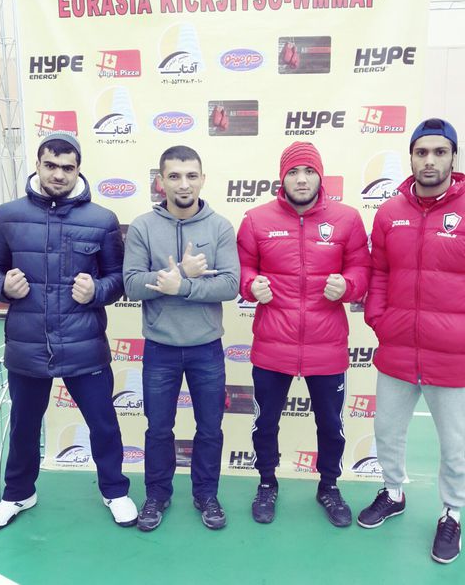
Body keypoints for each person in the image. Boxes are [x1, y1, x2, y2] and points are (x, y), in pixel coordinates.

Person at [0, 133, 137, 529]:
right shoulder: (8, 215)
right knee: (24, 425)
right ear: (38, 165)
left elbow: (117, 279)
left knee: (103, 423)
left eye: (67, 168)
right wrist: (3, 287)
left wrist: (97, 291)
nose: (59, 174)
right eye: (51, 165)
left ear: (78, 170)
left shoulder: (101, 220)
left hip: (84, 343)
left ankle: (115, 491)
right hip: (28, 342)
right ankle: (18, 493)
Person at [237, 141, 371, 527]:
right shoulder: (256, 220)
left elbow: (362, 270)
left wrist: (347, 285)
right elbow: (242, 267)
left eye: (309, 171)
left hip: (327, 346)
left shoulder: (347, 219)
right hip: (272, 344)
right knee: (265, 423)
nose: (301, 179)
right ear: (282, 177)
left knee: (330, 425)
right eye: (293, 172)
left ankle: (329, 486)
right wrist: (251, 285)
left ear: (320, 176)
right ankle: (267, 483)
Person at [358, 118, 465, 564]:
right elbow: (379, 272)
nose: (430, 161)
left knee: (455, 445)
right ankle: (393, 492)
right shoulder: (389, 213)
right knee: (387, 431)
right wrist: (378, 318)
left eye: (439, 152)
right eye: (422, 152)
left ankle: (452, 513)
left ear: (453, 157)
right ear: (412, 158)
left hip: (453, 354)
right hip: (398, 347)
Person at [123, 145, 240, 531]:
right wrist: (176, 276)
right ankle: (157, 495)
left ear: (202, 179)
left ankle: (206, 494)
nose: (183, 184)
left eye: (191, 176)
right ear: (161, 181)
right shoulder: (143, 226)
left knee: (209, 428)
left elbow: (230, 285)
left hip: (207, 348)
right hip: (160, 348)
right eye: (174, 176)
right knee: (158, 429)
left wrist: (183, 286)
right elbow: (131, 284)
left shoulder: (220, 227)